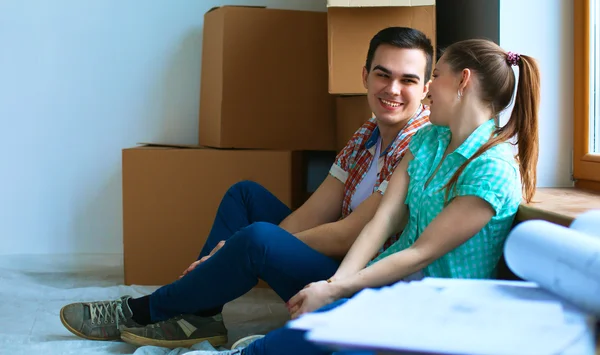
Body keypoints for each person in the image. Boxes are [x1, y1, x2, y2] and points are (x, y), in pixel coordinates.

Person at [59, 26, 434, 349]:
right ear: (365, 75)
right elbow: (315, 211)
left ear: (426, 88)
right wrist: (236, 249)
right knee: (245, 196)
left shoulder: (420, 145)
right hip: (333, 259)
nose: (393, 89)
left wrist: (243, 245)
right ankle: (202, 316)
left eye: (408, 80)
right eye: (383, 75)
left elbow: (350, 234)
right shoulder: (368, 133)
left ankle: (144, 309)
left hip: (356, 282)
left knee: (256, 238)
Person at [182, 38, 541, 355]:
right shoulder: (430, 140)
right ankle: (203, 309)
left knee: (335, 325)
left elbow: (417, 252)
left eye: (435, 75)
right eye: (382, 75)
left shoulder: (490, 169)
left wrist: (333, 289)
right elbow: (378, 219)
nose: (428, 87)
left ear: (463, 81)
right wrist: (331, 285)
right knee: (260, 225)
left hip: (441, 307)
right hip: (393, 284)